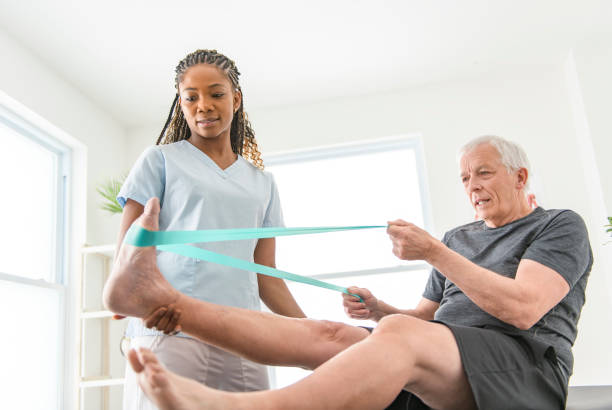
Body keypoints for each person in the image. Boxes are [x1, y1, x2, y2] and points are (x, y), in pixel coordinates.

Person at [104, 135, 592, 410]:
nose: (472, 187)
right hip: (450, 361)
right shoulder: (459, 238)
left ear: (519, 178)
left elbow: (524, 308)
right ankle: (153, 298)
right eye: (465, 178)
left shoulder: (559, 225)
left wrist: (432, 253)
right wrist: (381, 311)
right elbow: (423, 321)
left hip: (524, 371)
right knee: (331, 333)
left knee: (396, 334)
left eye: (482, 173)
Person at [114, 49, 305, 409]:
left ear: (236, 98)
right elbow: (128, 254)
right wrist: (146, 305)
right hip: (172, 331)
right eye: (192, 97)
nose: (204, 105)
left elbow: (266, 277)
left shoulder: (262, 184)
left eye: (216, 94)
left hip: (244, 336)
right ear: (181, 105)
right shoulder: (160, 161)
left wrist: (317, 331)